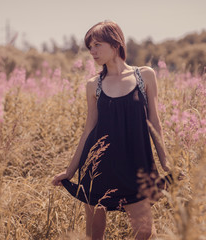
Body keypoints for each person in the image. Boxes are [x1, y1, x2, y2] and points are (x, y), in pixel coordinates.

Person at [52, 20, 171, 240]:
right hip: (99, 167)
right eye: (90, 47)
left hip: (136, 166)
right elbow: (89, 130)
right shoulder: (93, 85)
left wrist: (166, 162)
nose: (92, 52)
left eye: (97, 45)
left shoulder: (144, 76)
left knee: (144, 231)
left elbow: (154, 120)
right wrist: (69, 171)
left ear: (115, 44)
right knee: (95, 234)